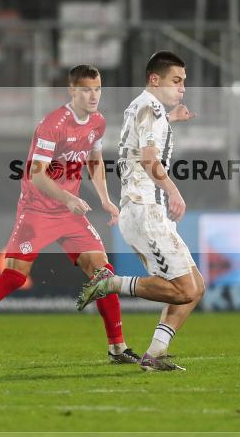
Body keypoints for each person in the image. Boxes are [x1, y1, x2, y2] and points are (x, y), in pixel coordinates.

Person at [0, 65, 139, 367]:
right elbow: (37, 176)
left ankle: (118, 348)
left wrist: (105, 199)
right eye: (86, 89)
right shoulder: (52, 125)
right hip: (37, 210)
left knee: (104, 276)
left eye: (98, 89)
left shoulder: (98, 122)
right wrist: (69, 197)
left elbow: (95, 161)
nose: (93, 95)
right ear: (72, 91)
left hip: (69, 212)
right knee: (13, 278)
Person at [76, 51, 205, 372]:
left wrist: (171, 119)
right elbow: (148, 158)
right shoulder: (150, 109)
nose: (182, 88)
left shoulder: (144, 108)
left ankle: (155, 354)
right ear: (154, 79)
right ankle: (110, 284)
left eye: (184, 82)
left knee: (196, 288)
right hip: (145, 211)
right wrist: (174, 192)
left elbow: (138, 140)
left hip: (145, 212)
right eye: (176, 81)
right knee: (184, 290)